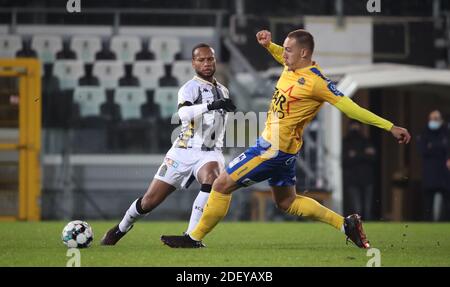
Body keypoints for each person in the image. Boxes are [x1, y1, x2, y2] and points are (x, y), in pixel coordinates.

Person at [161, 29, 411, 249]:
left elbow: (351, 108)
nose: (284, 54)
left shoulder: (316, 83)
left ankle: (193, 238)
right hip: (286, 152)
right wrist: (269, 45)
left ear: (304, 53)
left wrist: (389, 126)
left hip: (271, 149)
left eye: (289, 49)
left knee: (221, 184)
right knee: (287, 201)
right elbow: (280, 54)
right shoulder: (290, 65)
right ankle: (345, 225)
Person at [101, 43, 236, 245]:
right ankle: (120, 229)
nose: (206, 63)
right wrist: (211, 105)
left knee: (212, 178)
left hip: (210, 152)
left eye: (210, 59)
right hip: (182, 151)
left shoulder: (223, 90)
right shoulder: (189, 88)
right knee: (149, 202)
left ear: (215, 60)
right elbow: (183, 114)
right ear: (193, 63)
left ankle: (191, 237)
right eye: (201, 59)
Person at [417, 110, 450, 221]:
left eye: (436, 119)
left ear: (441, 120)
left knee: (447, 201)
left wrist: (432, 146)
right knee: (428, 202)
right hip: (429, 171)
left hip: (444, 172)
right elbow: (423, 150)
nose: (433, 121)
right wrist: (440, 146)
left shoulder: (446, 132)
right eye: (432, 119)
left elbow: (446, 148)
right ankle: (427, 222)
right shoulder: (424, 133)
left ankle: (446, 222)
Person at [343, 120, 376, 220]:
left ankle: (369, 230)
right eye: (353, 125)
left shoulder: (367, 141)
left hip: (367, 178)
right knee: (357, 209)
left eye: (357, 126)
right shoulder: (346, 142)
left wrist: (356, 154)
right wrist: (364, 154)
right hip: (352, 179)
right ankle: (358, 230)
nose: (355, 128)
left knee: (367, 209)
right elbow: (346, 160)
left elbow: (373, 158)